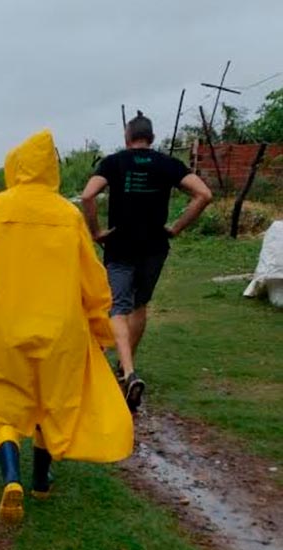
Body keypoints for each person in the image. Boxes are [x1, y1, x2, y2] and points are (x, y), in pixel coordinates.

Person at [0, 129, 133, 524]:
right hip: (61, 330)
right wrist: (101, 327)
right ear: (51, 169)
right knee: (49, 401)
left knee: (3, 405)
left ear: (17, 165)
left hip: (1, 328)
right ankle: (41, 478)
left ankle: (11, 478)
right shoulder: (69, 215)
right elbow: (92, 279)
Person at [81, 111, 212, 412]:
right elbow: (204, 194)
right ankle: (128, 366)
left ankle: (128, 373)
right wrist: (177, 227)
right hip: (154, 247)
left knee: (118, 306)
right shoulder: (168, 164)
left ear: (127, 137)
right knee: (139, 306)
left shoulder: (114, 162)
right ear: (151, 138)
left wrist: (97, 232)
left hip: (121, 245)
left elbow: (88, 196)